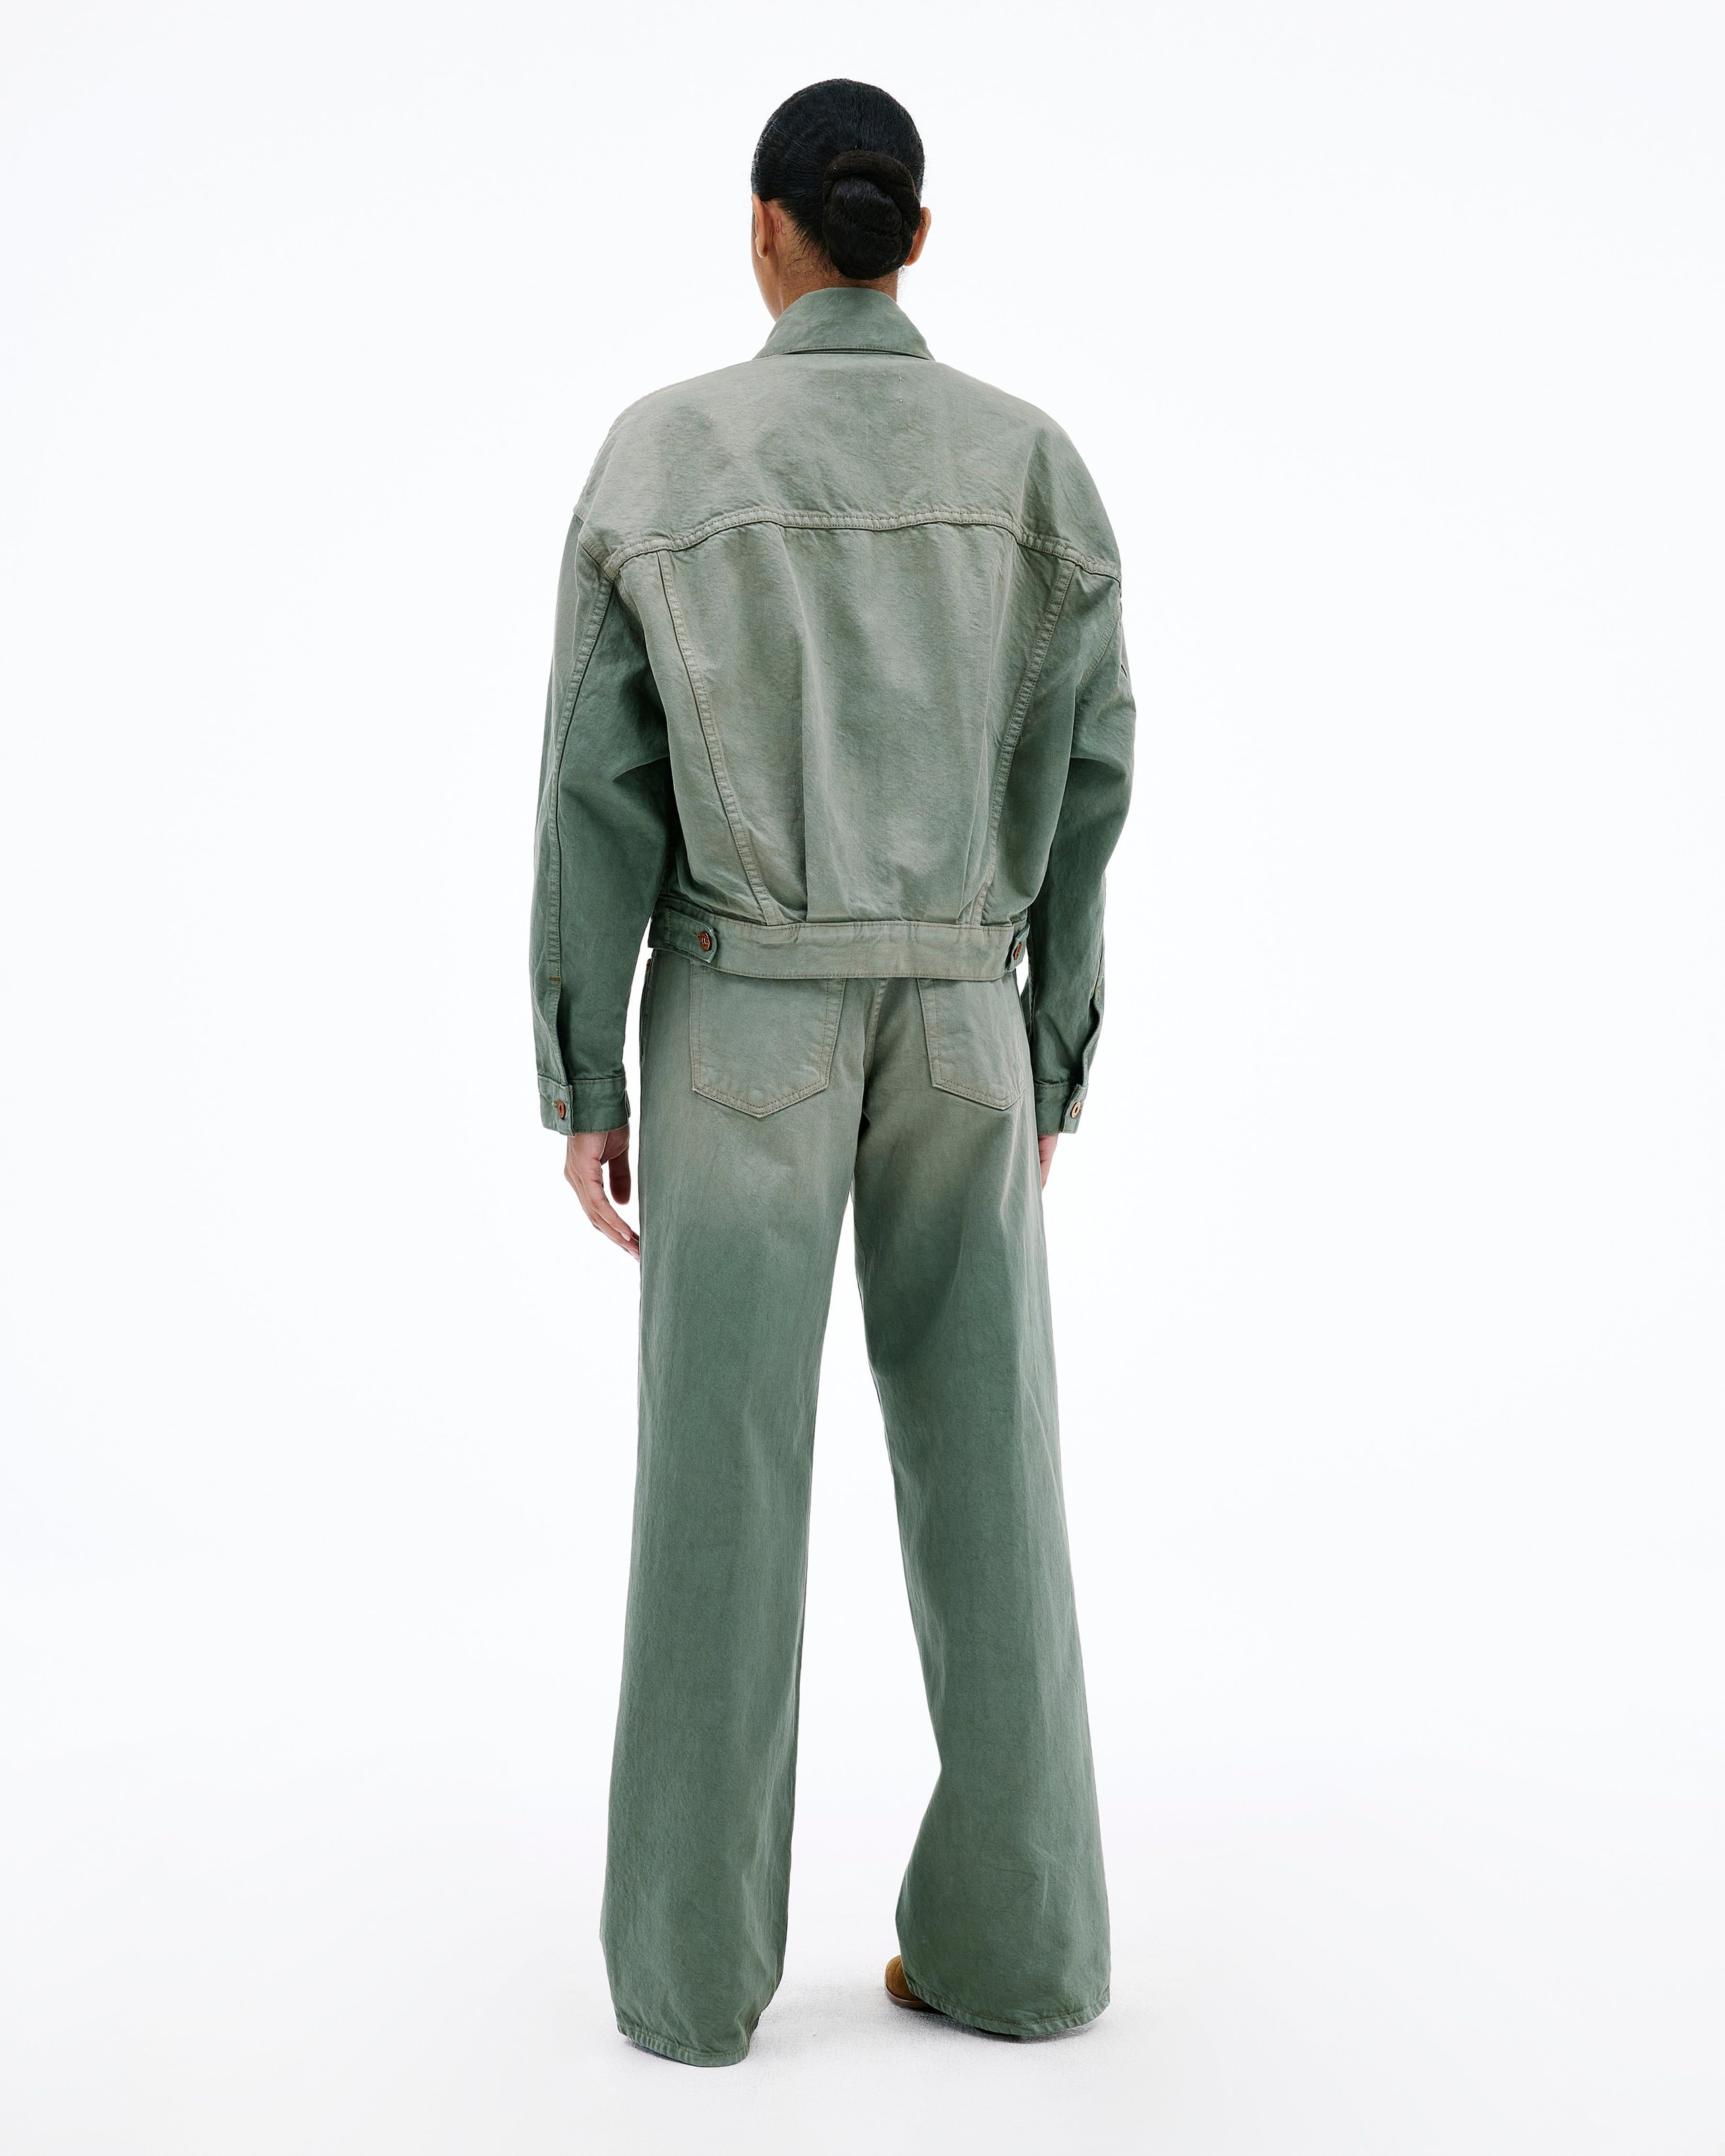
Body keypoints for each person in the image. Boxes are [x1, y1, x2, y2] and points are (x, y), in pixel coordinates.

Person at [529, 78, 1135, 2067]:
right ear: (915, 236)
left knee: (720, 1476)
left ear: (767, 230)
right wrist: (1047, 1051)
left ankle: (691, 1980)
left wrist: (583, 1071)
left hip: (743, 1020)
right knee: (996, 1475)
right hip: (964, 1016)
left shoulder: (666, 454)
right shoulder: (1031, 466)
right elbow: (1093, 782)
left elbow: (596, 784)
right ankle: (1021, 1953)